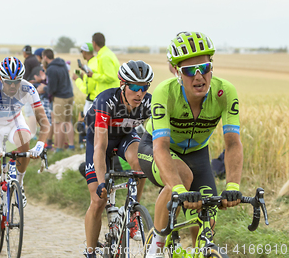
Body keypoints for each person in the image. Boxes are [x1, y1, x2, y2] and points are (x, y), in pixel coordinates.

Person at [138, 32, 243, 258]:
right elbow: (161, 147)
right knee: (182, 177)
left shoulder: (225, 92)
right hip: (155, 149)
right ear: (176, 71)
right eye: (189, 70)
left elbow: (233, 143)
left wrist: (233, 186)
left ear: (211, 67)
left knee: (207, 219)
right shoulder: (164, 93)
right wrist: (178, 189)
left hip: (197, 154)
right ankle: (155, 246)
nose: (198, 76)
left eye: (204, 67)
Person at [0, 57, 50, 248]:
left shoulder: (28, 88)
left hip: (14, 122)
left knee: (25, 139)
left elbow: (45, 124)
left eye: (17, 81)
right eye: (8, 82)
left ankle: (19, 184)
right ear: (1, 79)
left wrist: (40, 145)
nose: (13, 86)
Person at [83, 61, 153, 257]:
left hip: (124, 136)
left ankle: (133, 210)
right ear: (123, 85)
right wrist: (101, 181)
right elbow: (100, 147)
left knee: (142, 161)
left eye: (145, 87)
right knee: (98, 200)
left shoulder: (148, 103)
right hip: (98, 140)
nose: (140, 93)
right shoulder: (106, 102)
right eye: (135, 87)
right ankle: (90, 250)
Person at [41, 48, 75, 151]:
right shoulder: (62, 64)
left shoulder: (51, 69)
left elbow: (52, 89)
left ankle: (59, 148)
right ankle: (72, 146)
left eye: (43, 57)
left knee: (59, 123)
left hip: (60, 98)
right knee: (68, 121)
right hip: (69, 95)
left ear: (45, 57)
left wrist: (43, 88)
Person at [73, 42, 99, 116]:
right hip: (98, 97)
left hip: (92, 99)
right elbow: (92, 80)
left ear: (84, 52)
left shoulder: (91, 66)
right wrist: (82, 76)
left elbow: (87, 89)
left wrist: (77, 79)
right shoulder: (95, 61)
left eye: (81, 51)